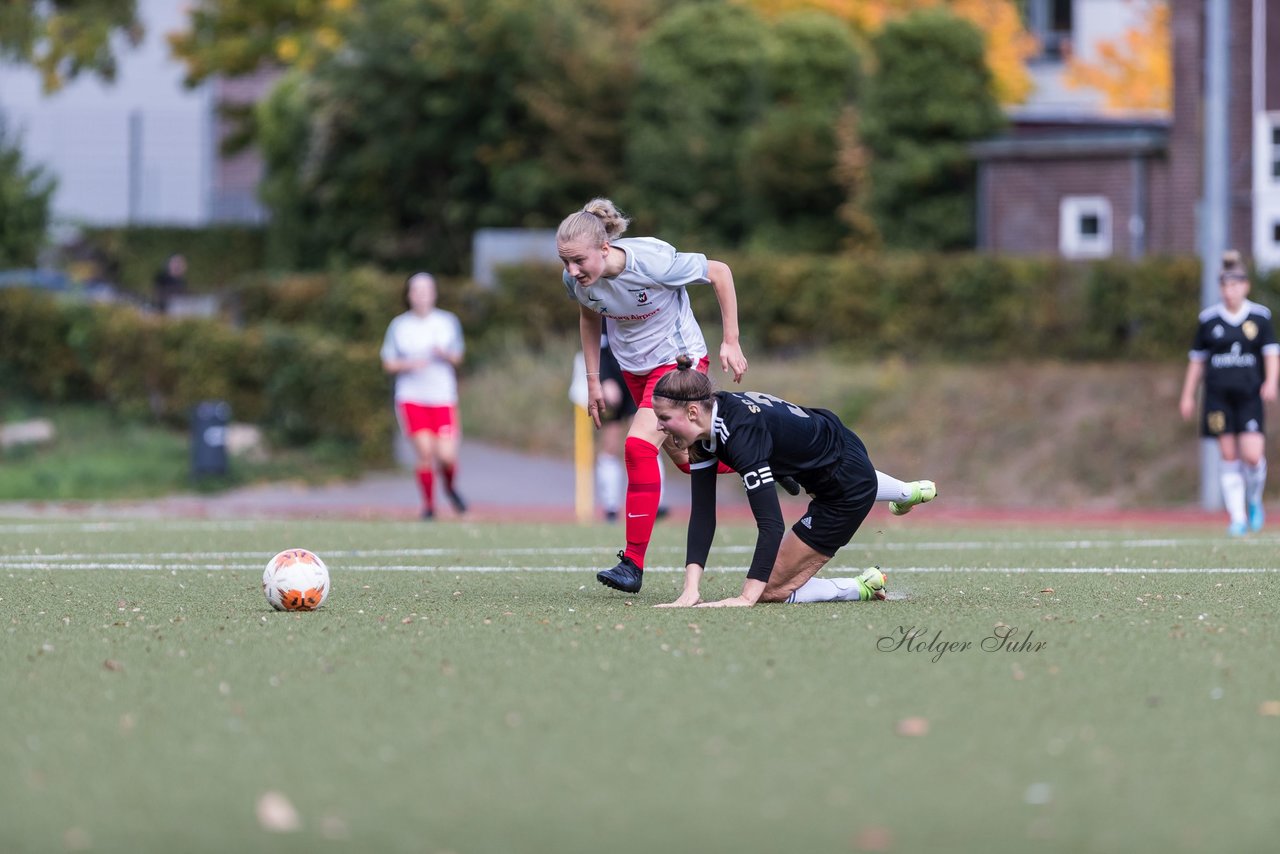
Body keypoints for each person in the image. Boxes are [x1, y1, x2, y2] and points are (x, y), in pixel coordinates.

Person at [558, 197, 935, 594]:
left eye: (579, 261)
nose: (571, 271)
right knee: (691, 463)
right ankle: (799, 465)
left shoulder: (652, 260)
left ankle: (632, 564)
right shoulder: (577, 281)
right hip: (635, 371)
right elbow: (589, 315)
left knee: (637, 448)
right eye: (565, 262)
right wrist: (594, 378)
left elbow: (719, 272)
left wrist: (731, 341)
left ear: (604, 248)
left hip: (677, 363)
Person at [649, 359, 926, 607]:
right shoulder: (710, 420)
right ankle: (906, 492)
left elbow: (771, 524)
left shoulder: (741, 435)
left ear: (693, 412)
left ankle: (861, 586)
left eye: (664, 418)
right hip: (836, 442)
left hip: (844, 488)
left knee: (768, 590)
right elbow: (702, 515)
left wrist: (746, 597)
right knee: (845, 473)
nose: (659, 427)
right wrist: (690, 590)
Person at [1179, 250, 1279, 535]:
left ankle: (1253, 501)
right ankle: (1236, 518)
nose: (1230, 291)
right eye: (1225, 285)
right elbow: (1197, 360)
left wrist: (1271, 381)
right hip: (1217, 397)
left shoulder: (1259, 317)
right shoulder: (1209, 319)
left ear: (1245, 286)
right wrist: (1188, 395)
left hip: (1249, 395)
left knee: (1253, 455)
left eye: (1235, 285)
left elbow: (1271, 353)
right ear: (1220, 287)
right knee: (1228, 455)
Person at [381, 272, 467, 519]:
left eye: (426, 290)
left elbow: (458, 356)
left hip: (442, 397)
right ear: (409, 295)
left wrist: (444, 354)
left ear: (434, 293)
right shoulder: (400, 325)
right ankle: (429, 507)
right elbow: (388, 362)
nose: (422, 295)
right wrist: (408, 365)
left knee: (447, 456)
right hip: (412, 397)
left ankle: (450, 488)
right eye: (416, 290)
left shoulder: (447, 322)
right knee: (426, 452)